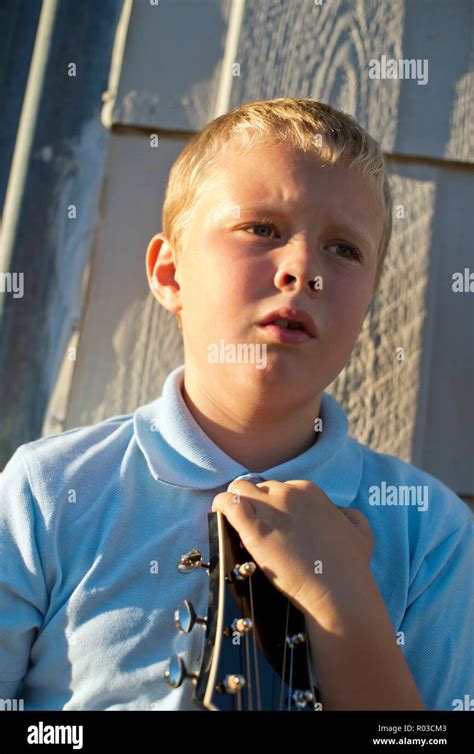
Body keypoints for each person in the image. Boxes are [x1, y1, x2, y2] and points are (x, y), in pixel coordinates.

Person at [0, 98, 472, 711]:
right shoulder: (48, 493)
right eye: (262, 229)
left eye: (344, 250)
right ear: (171, 275)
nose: (303, 269)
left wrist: (344, 605)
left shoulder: (429, 534)